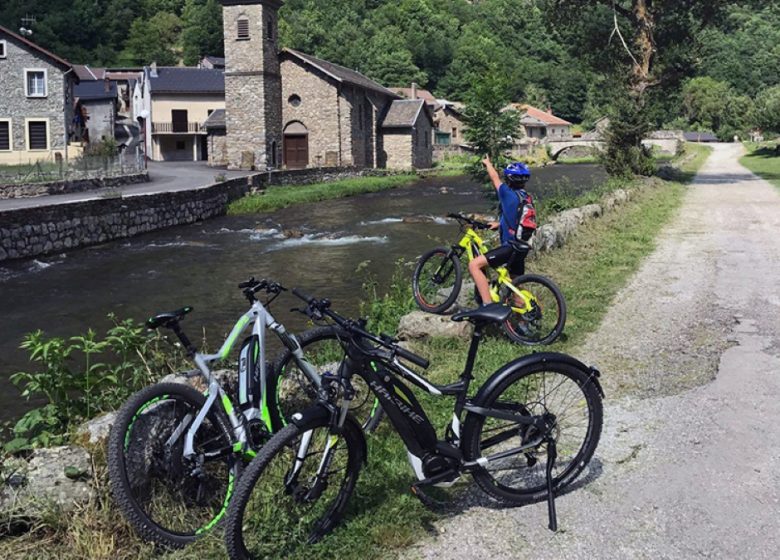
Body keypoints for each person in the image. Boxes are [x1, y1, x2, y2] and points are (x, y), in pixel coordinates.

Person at [467, 156, 536, 306]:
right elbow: (517, 218)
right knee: (515, 287)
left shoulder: (506, 193)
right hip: (522, 247)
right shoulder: (526, 198)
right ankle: (527, 320)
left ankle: (487, 305)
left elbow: (494, 178)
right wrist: (500, 224)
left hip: (510, 246)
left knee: (474, 265)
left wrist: (488, 164)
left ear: (509, 179)